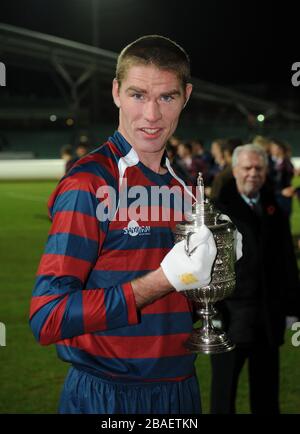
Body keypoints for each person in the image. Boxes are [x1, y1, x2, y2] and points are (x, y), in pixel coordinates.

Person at [29, 35, 218, 414]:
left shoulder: (183, 187)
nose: (151, 115)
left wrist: (220, 262)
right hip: (107, 395)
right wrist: (162, 281)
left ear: (187, 96)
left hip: (181, 390)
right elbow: (47, 316)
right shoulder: (90, 184)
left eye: (167, 97)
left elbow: (187, 305)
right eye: (137, 95)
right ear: (116, 92)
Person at [210, 144, 300, 414]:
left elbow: (287, 262)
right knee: (223, 395)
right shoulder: (218, 211)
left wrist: (294, 308)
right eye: (247, 168)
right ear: (235, 170)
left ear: (265, 171)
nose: (253, 173)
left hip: (267, 321)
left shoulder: (274, 207)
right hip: (229, 319)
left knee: (266, 396)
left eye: (258, 168)